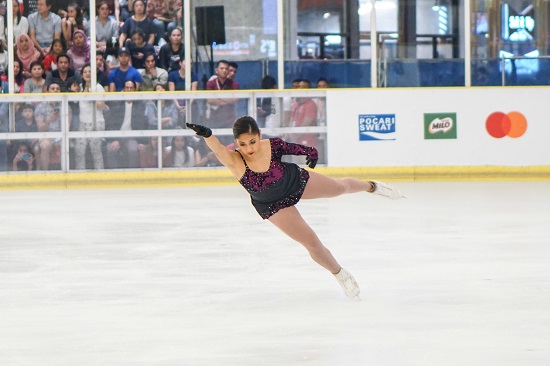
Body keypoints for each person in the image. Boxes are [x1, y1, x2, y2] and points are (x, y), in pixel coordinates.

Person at [186, 116, 404, 298]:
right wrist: (208, 135)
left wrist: (311, 154)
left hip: (293, 181)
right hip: (271, 204)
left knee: (339, 187)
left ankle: (372, 187)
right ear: (236, 143)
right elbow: (218, 150)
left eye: (252, 141)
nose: (249, 148)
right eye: (242, 144)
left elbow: (300, 149)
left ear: (259, 136)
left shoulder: (272, 146)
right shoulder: (234, 160)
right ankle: (340, 274)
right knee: (311, 241)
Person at [104, 80, 147, 168]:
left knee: (133, 150)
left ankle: (132, 176)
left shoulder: (140, 105)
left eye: (131, 88)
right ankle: (114, 176)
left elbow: (143, 124)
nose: (129, 90)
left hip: (132, 137)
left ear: (135, 90)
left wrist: (142, 142)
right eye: (127, 88)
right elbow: (110, 123)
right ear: (124, 89)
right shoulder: (116, 104)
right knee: (110, 149)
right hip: (117, 136)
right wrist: (114, 139)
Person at [74, 64, 106, 170]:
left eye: (90, 71)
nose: (87, 74)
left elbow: (102, 106)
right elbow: (74, 101)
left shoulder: (98, 87)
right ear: (82, 74)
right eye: (85, 72)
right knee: (79, 150)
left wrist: (90, 97)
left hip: (96, 123)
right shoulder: (80, 87)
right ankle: (80, 173)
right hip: (82, 123)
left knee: (96, 152)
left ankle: (100, 174)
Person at [34, 82, 70, 170]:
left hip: (62, 136)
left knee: (66, 144)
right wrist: (49, 120)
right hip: (46, 136)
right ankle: (45, 173)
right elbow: (41, 128)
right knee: (45, 146)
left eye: (57, 89)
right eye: (52, 89)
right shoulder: (41, 106)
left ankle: (64, 172)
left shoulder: (65, 106)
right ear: (48, 91)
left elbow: (67, 127)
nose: (55, 91)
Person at [205, 60, 239, 132]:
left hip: (229, 119)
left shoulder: (234, 84)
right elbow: (210, 100)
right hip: (214, 119)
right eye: (222, 68)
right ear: (216, 70)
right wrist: (227, 100)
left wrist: (218, 99)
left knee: (230, 142)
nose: (224, 71)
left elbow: (235, 99)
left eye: (226, 69)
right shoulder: (210, 83)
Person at [168, 58, 198, 127]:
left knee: (194, 108)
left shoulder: (194, 75)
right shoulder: (172, 75)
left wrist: (187, 106)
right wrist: (178, 106)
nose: (188, 65)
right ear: (180, 63)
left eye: (190, 63)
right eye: (186, 62)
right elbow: (171, 93)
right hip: (176, 103)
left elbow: (194, 93)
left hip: (190, 103)